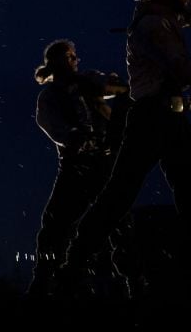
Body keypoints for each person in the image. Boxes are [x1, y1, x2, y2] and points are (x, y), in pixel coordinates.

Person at [60, 0, 191, 295]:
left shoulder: (163, 19)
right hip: (154, 119)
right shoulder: (154, 26)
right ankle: (73, 263)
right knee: (122, 194)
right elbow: (185, 72)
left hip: (166, 117)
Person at [28, 39, 131, 297]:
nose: (76, 61)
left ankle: (133, 279)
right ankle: (45, 279)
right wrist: (81, 139)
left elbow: (119, 89)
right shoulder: (50, 95)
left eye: (75, 56)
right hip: (76, 165)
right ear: (58, 61)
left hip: (104, 163)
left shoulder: (88, 83)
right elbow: (57, 130)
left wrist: (105, 84)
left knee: (117, 221)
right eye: (71, 57)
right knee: (56, 222)